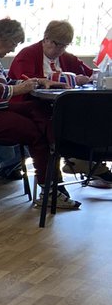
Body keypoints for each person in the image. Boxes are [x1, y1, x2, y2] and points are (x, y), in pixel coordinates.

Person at [0, 18, 79, 210]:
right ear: (1, 37)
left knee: (39, 110)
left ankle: (55, 150)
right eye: (13, 43)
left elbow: (6, 82)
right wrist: (18, 90)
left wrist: (36, 82)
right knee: (35, 132)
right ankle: (50, 189)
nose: (12, 49)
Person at [7, 21, 112, 189]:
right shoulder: (28, 54)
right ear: (46, 39)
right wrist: (54, 81)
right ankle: (71, 165)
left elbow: (89, 73)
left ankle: (82, 158)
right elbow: (25, 80)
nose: (60, 50)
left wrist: (86, 78)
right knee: (54, 122)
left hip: (57, 106)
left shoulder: (65, 56)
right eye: (57, 44)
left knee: (89, 113)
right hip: (29, 105)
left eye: (65, 45)